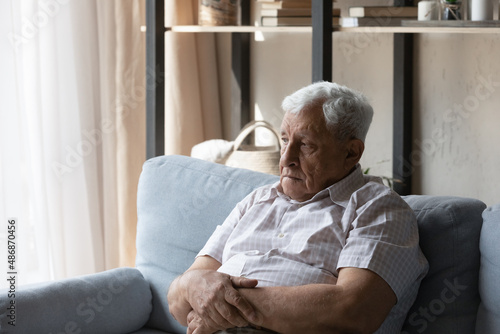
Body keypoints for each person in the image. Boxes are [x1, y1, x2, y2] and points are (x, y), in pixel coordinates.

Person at [167, 82, 428, 334]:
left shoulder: (378, 208)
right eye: (284, 140)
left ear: (351, 152)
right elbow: (178, 302)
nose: (286, 159)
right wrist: (192, 285)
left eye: (305, 145)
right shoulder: (256, 200)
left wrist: (221, 304)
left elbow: (353, 310)